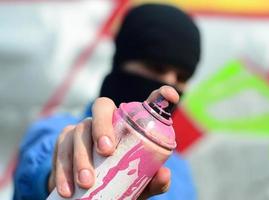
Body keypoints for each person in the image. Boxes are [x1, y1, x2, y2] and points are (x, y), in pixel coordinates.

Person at [13, 3, 201, 200]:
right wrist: (62, 178)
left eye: (182, 78)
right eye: (156, 68)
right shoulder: (55, 131)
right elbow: (38, 170)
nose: (169, 86)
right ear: (122, 62)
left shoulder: (179, 174)